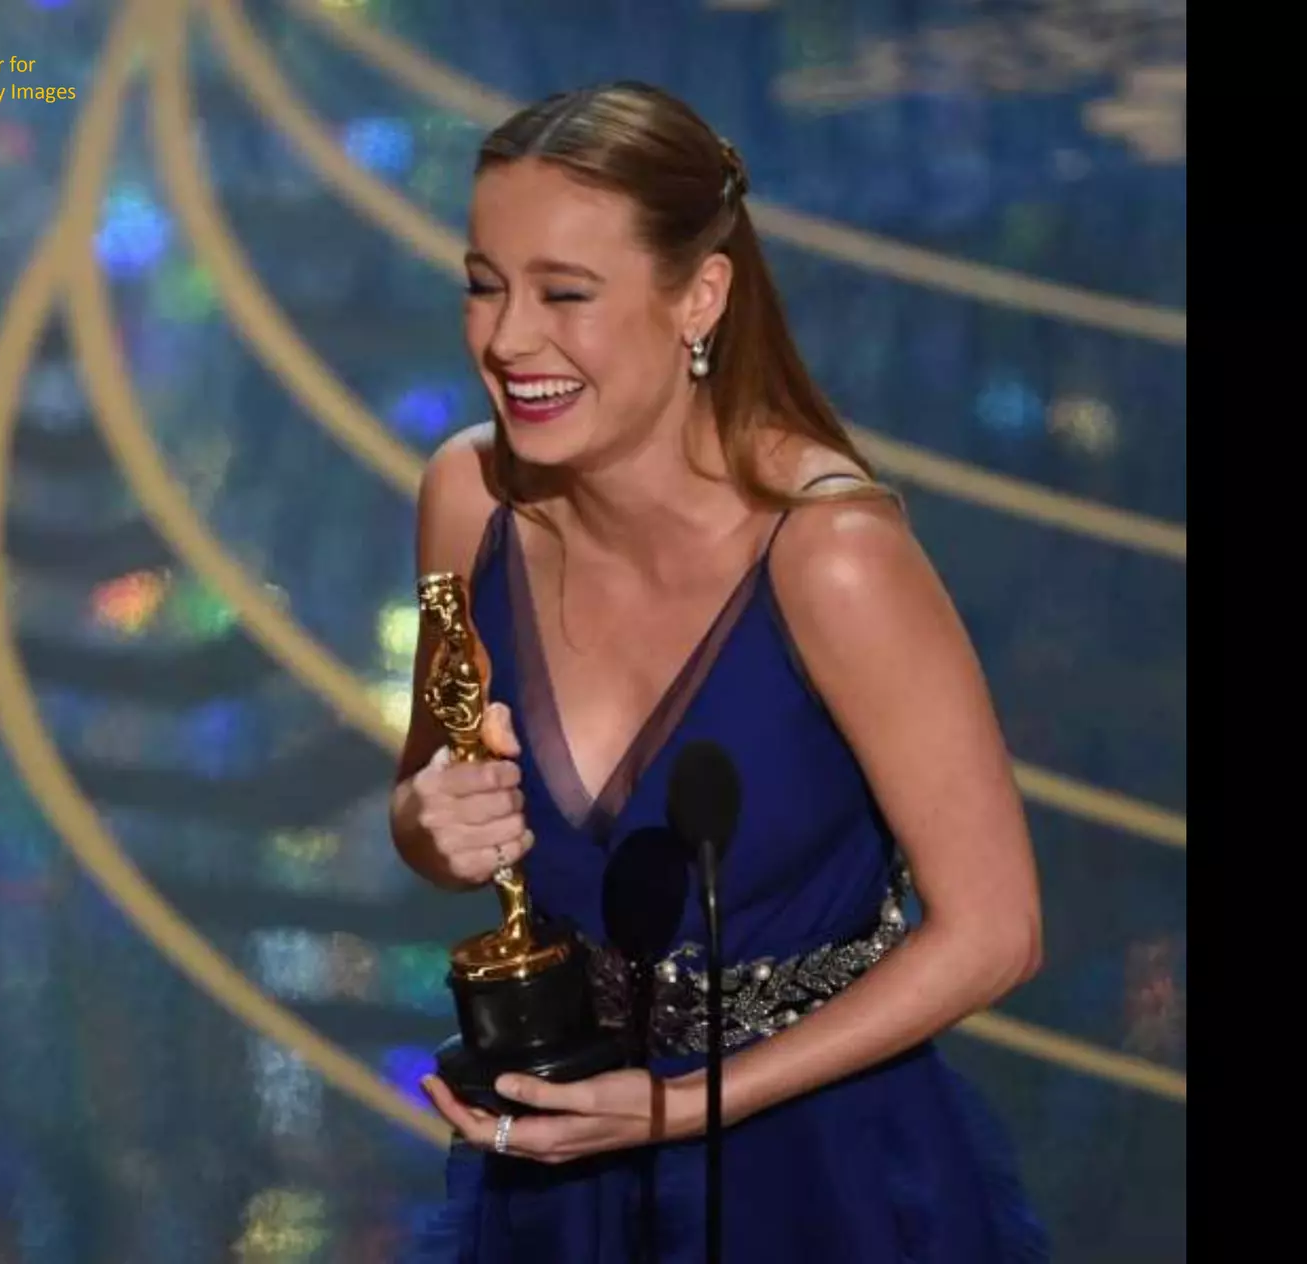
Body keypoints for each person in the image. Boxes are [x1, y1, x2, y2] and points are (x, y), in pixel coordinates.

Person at [389, 82, 1050, 1262]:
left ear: (698, 295)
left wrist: (686, 1105)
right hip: (558, 1165)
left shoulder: (830, 555)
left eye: (564, 294)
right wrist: (427, 826)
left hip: (815, 1173)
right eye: (484, 284)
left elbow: (993, 931)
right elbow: (434, 802)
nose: (506, 339)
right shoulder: (465, 499)